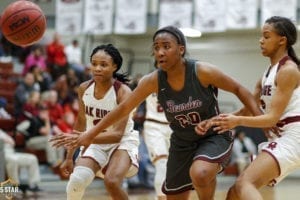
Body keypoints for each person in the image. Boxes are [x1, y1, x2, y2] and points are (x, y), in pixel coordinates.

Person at [50, 26, 261, 200]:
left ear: (181, 49)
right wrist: (88, 135)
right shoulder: (151, 80)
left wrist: (262, 120)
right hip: (182, 140)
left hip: (212, 135)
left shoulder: (202, 71)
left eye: (166, 47)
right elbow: (123, 109)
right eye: (156, 47)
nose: (160, 52)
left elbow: (239, 89)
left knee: (201, 172)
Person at [202, 16, 300, 200]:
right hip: (282, 137)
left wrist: (237, 121)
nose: (261, 40)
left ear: (282, 40)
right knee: (234, 193)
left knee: (244, 184)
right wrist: (213, 122)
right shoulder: (267, 74)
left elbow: (271, 118)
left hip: (293, 136)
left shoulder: (288, 70)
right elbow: (245, 110)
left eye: (266, 36)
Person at [51, 44, 139, 200]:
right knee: (76, 180)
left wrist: (84, 138)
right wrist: (70, 157)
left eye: (103, 65)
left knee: (111, 182)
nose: (97, 68)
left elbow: (117, 135)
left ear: (115, 67)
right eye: (94, 63)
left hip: (122, 143)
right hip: (94, 142)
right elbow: (80, 122)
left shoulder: (123, 92)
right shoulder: (84, 88)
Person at [143, 92, 172, 199]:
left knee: (174, 169)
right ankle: (161, 198)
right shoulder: (148, 80)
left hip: (175, 126)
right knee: (161, 163)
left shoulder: (181, 79)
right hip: (154, 125)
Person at [0, 129, 42, 193]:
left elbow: (12, 142)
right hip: (2, 154)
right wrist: (3, 140)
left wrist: (8, 140)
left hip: (11, 152)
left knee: (32, 158)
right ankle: (15, 185)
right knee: (13, 160)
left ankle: (33, 185)